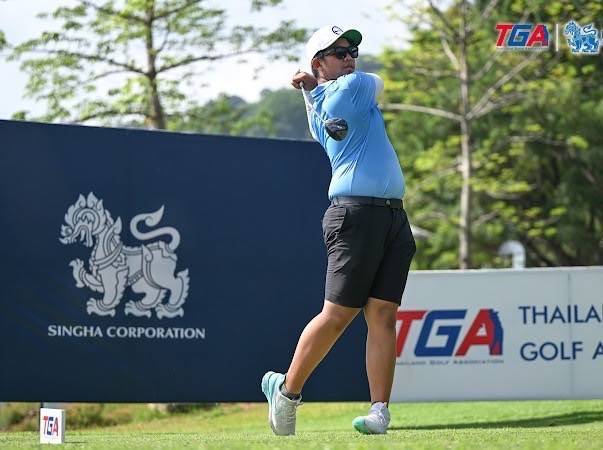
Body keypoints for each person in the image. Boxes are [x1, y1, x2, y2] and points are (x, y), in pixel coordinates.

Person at [261, 24, 416, 436]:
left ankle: (379, 411)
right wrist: (313, 87)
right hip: (355, 215)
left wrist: (311, 88)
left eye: (353, 53)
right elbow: (377, 81)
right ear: (319, 63)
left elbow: (319, 101)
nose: (350, 59)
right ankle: (287, 392)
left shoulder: (322, 100)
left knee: (383, 314)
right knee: (337, 315)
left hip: (391, 215)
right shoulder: (354, 87)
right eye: (339, 53)